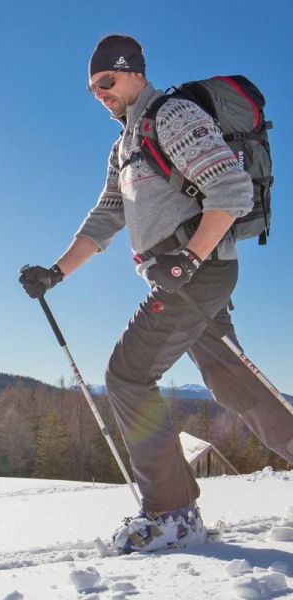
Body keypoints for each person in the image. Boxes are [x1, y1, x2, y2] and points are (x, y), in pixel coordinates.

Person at [19, 34, 293, 554]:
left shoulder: (173, 116)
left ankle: (172, 514)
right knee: (232, 380)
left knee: (126, 373)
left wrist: (188, 258)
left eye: (107, 81)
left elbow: (231, 190)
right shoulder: (124, 145)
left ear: (133, 72)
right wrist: (55, 273)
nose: (100, 93)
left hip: (198, 272)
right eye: (93, 88)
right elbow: (106, 217)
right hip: (183, 275)